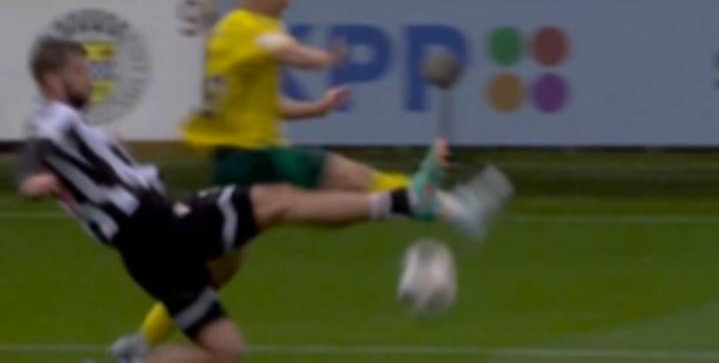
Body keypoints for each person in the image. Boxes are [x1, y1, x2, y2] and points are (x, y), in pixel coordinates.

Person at [19, 37, 494, 363]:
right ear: (54, 80)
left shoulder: (68, 125)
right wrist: (30, 179)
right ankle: (407, 201)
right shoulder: (54, 117)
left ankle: (135, 356)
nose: (89, 79)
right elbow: (36, 151)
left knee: (227, 349)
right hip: (158, 226)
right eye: (80, 71)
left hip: (149, 251)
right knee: (280, 202)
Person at [113, 0, 464, 358]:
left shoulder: (235, 33)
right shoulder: (248, 26)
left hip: (235, 160)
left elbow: (267, 103)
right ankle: (424, 199)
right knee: (330, 172)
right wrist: (325, 59)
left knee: (216, 269)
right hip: (252, 157)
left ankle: (140, 344)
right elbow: (284, 49)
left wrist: (315, 108)